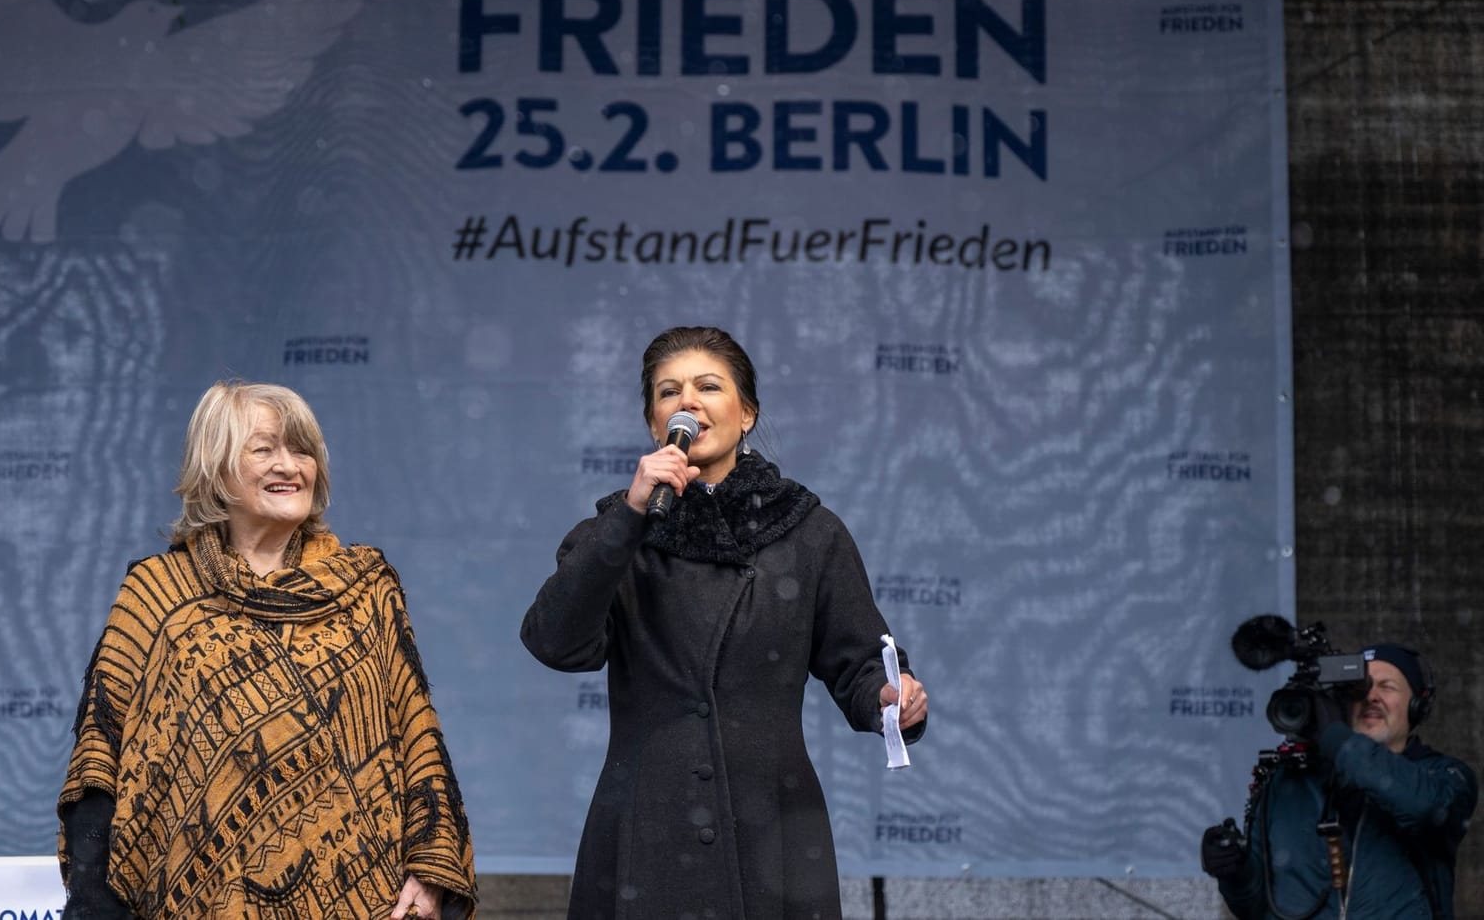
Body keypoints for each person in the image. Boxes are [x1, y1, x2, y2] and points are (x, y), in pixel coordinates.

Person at [521, 325, 929, 919]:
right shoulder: (614, 533)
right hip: (648, 823)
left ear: (746, 414)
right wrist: (631, 519)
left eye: (708, 386)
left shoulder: (808, 532)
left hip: (772, 825)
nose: (687, 401)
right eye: (668, 392)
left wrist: (891, 699)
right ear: (654, 424)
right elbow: (554, 641)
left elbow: (860, 663)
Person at [57, 381, 477, 920]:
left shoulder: (367, 586)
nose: (289, 466)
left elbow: (416, 735)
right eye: (263, 449)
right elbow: (101, 755)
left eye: (301, 450)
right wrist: (94, 902)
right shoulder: (158, 593)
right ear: (215, 468)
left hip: (367, 901)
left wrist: (430, 866)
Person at [1202, 642, 1477, 919]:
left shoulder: (1444, 776)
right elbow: (1256, 907)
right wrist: (1234, 874)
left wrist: (1337, 739)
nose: (1372, 696)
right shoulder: (1286, 780)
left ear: (1417, 704)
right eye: (1361, 687)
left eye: (1387, 686)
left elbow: (1425, 808)